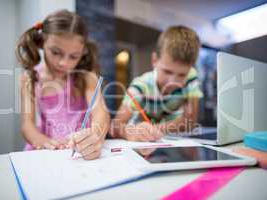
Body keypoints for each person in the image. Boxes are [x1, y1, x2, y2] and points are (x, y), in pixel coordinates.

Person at [15, 9, 110, 160]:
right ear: (41, 43)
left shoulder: (86, 77)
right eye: (55, 52)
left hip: (81, 150)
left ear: (83, 52)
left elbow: (101, 113)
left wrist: (95, 135)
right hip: (47, 149)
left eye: (74, 56)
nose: (63, 63)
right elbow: (27, 126)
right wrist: (43, 142)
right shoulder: (29, 78)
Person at [111, 25, 203, 142]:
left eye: (181, 75)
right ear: (154, 60)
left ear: (189, 70)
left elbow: (190, 121)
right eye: (167, 71)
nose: (172, 82)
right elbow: (115, 126)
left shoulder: (191, 76)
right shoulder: (140, 86)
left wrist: (154, 129)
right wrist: (130, 132)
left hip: (171, 143)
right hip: (142, 143)